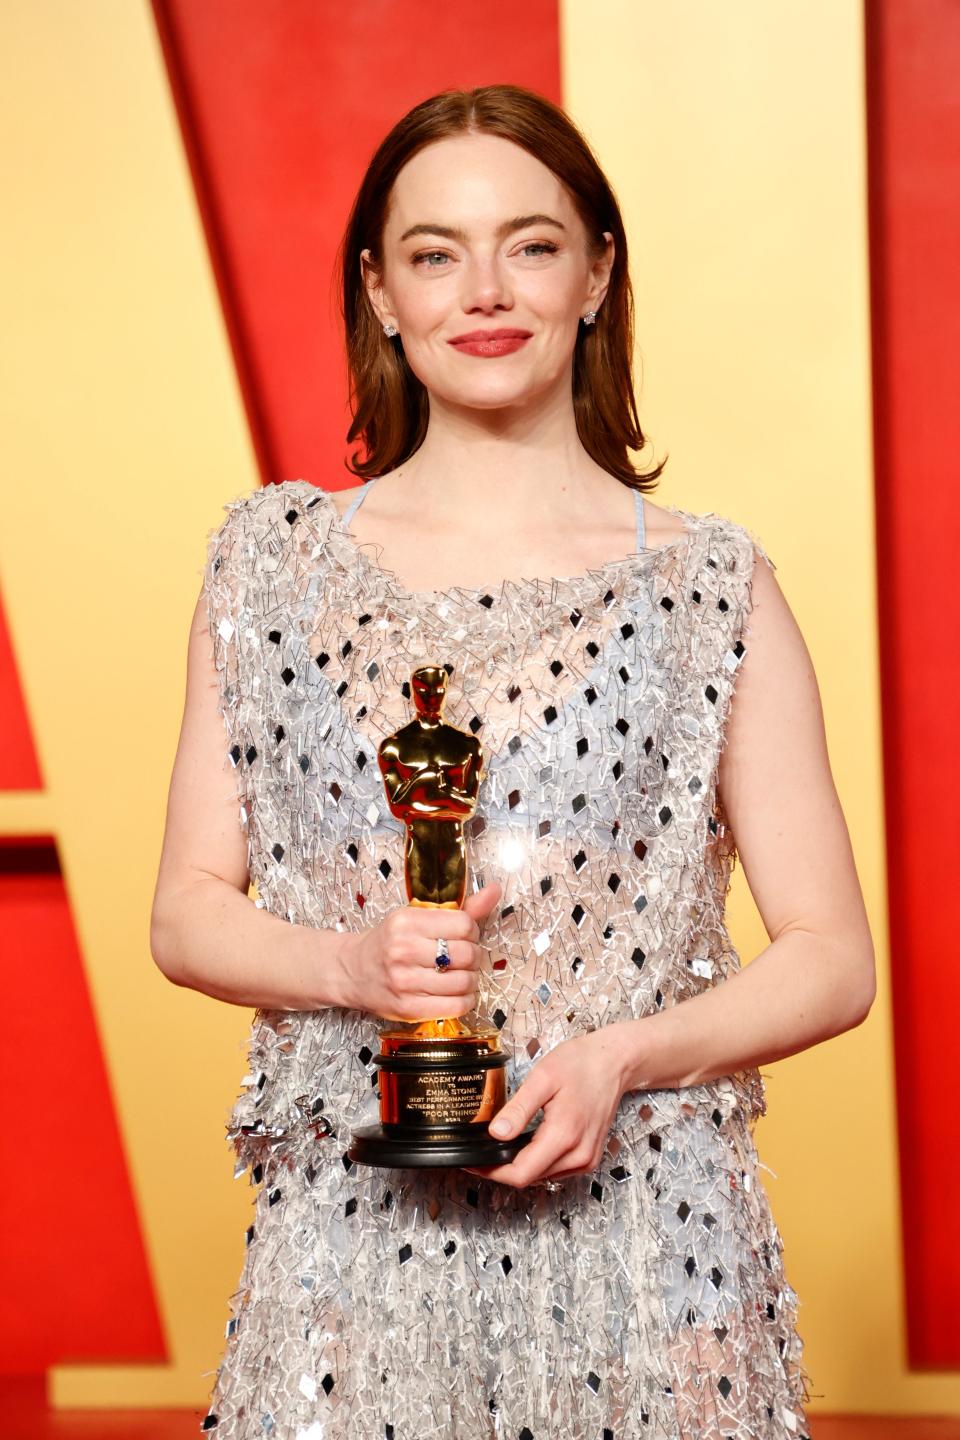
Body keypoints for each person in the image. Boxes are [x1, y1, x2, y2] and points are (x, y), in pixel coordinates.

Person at [151, 83, 875, 1440]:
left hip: (653, 1253)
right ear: (378, 292)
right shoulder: (271, 566)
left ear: (598, 272)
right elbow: (185, 909)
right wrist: (346, 968)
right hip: (349, 1259)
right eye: (435, 252)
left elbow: (834, 955)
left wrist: (626, 1059)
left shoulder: (711, 589)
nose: (486, 289)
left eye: (531, 245)